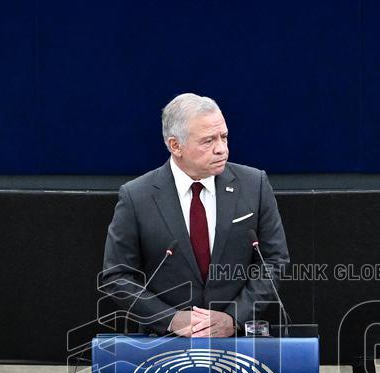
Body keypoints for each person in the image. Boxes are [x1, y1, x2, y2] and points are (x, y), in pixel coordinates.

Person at [101, 93, 289, 337]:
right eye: (208, 141)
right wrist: (171, 319)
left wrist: (234, 317)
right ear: (175, 145)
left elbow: (274, 262)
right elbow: (117, 275)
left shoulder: (255, 185)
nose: (222, 149)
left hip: (238, 339)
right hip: (164, 341)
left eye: (224, 137)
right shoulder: (137, 196)